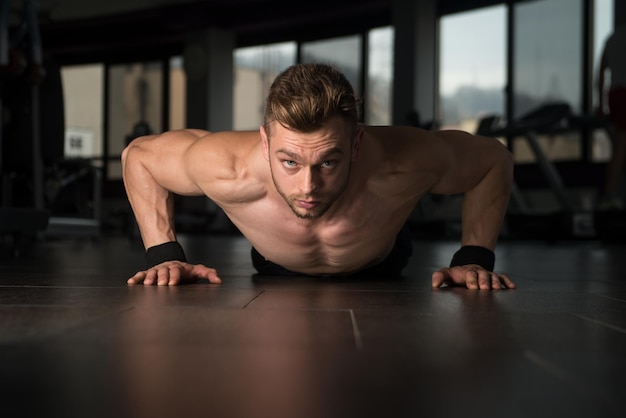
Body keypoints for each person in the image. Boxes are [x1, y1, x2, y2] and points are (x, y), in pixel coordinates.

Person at [122, 63, 515, 290]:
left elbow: (492, 159)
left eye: (327, 162)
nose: (307, 187)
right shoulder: (225, 166)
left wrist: (473, 258)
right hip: (275, 263)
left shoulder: (403, 162)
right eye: (290, 162)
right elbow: (138, 156)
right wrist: (164, 255)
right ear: (264, 141)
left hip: (381, 262)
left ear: (356, 144)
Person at [598, 24, 626, 210]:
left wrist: (601, 103)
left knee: (620, 145)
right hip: (623, 93)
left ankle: (610, 194)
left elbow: (600, 73)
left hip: (615, 93)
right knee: (621, 145)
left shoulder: (612, 38)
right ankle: (609, 196)